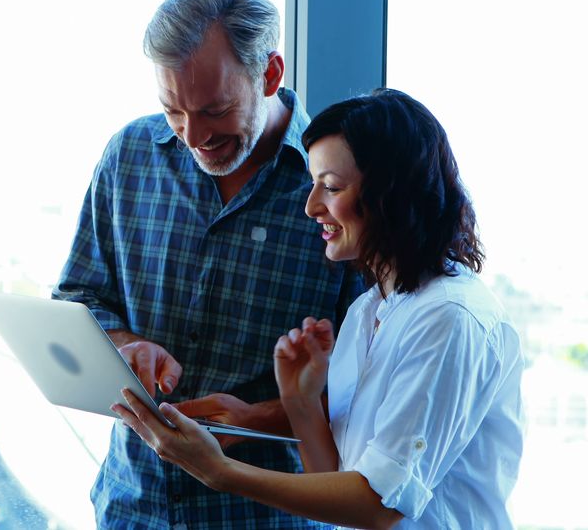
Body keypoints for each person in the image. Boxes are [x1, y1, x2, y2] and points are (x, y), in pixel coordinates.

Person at [113, 88, 525, 529]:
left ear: (392, 194)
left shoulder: (450, 317)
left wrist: (221, 472)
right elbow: (339, 484)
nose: (311, 206)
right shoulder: (372, 309)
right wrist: (300, 401)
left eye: (330, 187)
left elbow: (379, 504)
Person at [53, 0, 363, 529]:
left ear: (269, 74)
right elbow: (79, 298)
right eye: (173, 109)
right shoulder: (129, 156)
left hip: (267, 517)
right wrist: (124, 346)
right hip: (132, 506)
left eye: (215, 109)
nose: (193, 135)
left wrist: (254, 419)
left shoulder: (338, 188)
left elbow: (368, 383)